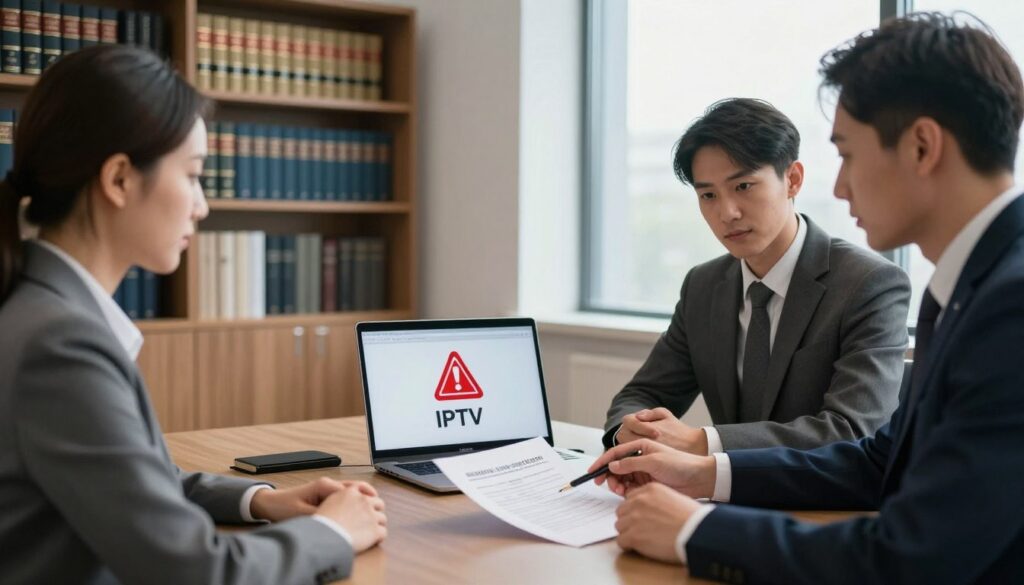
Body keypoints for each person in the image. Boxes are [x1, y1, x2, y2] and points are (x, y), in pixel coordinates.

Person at [592, 12, 1024, 583]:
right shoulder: (965, 289)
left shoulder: (1009, 306)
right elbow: (878, 461)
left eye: (847, 153)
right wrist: (700, 475)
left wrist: (696, 530)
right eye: (707, 194)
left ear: (922, 146)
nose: (840, 187)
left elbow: (915, 553)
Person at [0, 45, 386, 584]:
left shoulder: (42, 310)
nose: (202, 206)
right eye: (193, 175)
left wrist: (262, 500)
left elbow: (132, 482)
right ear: (118, 180)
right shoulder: (58, 345)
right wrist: (334, 534)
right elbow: (196, 573)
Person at [604, 98, 910, 455]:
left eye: (743, 187)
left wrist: (698, 442)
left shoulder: (868, 284)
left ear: (793, 179)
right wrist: (630, 436)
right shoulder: (703, 286)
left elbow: (850, 431)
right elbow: (642, 395)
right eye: (708, 195)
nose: (727, 212)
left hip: (821, 503)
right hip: (717, 495)